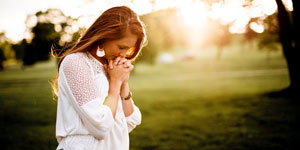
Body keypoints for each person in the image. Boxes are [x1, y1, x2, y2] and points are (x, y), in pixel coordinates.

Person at [50, 6, 146, 150]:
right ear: (104, 36)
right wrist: (114, 86)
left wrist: (123, 83)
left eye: (128, 49)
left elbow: (130, 121)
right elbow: (100, 125)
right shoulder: (76, 63)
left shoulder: (110, 67)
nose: (124, 55)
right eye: (121, 47)